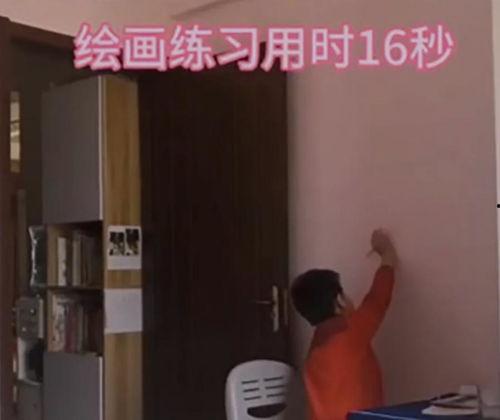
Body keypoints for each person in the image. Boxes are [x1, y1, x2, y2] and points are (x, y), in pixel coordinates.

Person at [291, 229, 398, 420]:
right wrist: (386, 254)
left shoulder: (315, 348)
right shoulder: (350, 333)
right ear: (339, 301)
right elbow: (377, 299)